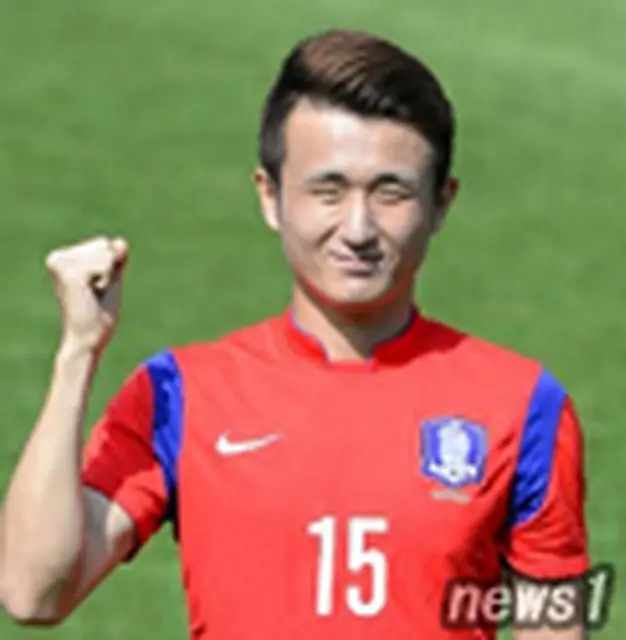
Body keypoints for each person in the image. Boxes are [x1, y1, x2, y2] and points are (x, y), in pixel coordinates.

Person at [0, 29, 589, 639]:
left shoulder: (524, 407)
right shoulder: (179, 394)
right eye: (327, 191)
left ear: (442, 203)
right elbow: (32, 592)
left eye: (390, 193)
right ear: (270, 196)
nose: (358, 229)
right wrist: (78, 352)